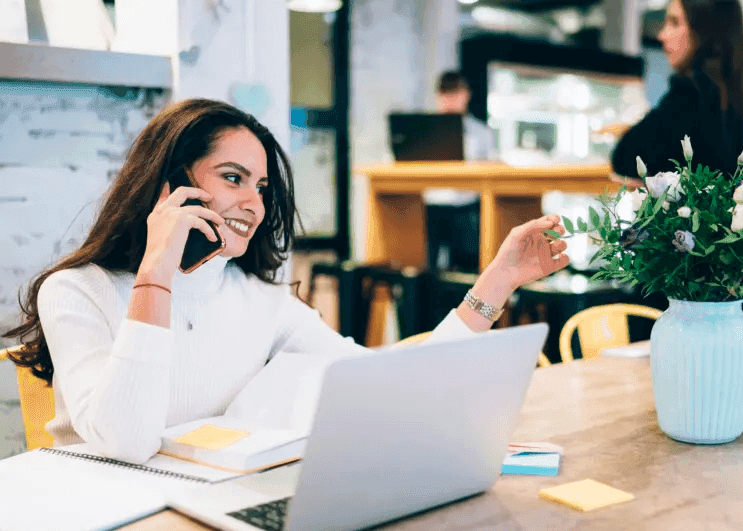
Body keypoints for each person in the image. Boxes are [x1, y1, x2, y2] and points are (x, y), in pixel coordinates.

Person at [3, 99, 568, 464]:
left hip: (203, 515)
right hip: (96, 530)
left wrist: (498, 281)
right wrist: (157, 270)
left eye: (263, 186)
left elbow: (386, 382)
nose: (254, 203)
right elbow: (125, 444)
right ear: (166, 185)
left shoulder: (260, 301)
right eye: (233, 179)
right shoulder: (78, 290)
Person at [611, 0, 743, 184]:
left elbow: (625, 158)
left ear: (704, 30)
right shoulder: (740, 101)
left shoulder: (689, 98)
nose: (662, 35)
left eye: (675, 22)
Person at [425, 70, 497, 273]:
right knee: (426, 266)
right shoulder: (425, 130)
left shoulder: (480, 132)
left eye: (455, 93)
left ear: (466, 94)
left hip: (465, 207)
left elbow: (491, 167)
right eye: (445, 94)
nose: (450, 99)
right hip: (431, 206)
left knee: (466, 266)